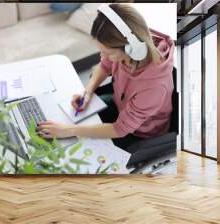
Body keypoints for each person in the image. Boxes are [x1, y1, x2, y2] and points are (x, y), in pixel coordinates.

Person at [37, 3, 174, 150]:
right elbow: (104, 65)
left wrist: (69, 130)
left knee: (78, 144)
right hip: (119, 106)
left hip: (140, 132)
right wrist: (87, 92)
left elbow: (120, 129)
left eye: (108, 53)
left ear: (132, 50)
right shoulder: (132, 47)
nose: (103, 56)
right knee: (69, 120)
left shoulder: (154, 87)